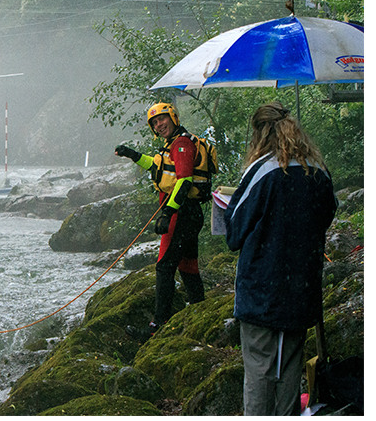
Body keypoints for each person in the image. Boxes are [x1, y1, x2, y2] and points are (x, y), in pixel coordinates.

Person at [225, 102, 336, 415]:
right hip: (302, 287)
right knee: (290, 367)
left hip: (263, 289)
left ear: (260, 134)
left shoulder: (263, 171)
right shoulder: (318, 169)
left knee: (260, 368)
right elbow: (327, 213)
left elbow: (234, 230)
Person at [113, 102, 212, 334]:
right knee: (188, 264)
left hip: (181, 213)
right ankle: (199, 308)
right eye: (155, 123)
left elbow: (184, 180)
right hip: (188, 212)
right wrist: (133, 155)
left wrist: (168, 212)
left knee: (165, 267)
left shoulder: (181, 145)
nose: (159, 125)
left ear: (174, 117)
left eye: (162, 119)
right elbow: (157, 166)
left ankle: (158, 325)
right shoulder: (173, 145)